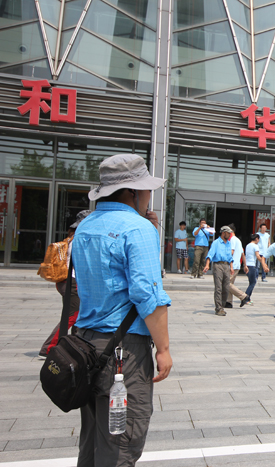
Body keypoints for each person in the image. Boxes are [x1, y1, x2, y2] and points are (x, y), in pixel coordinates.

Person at [72, 153, 172, 465]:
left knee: (93, 439)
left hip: (85, 345)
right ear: (132, 192)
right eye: (147, 189)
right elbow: (148, 296)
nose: (149, 195)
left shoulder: (85, 226)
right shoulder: (137, 229)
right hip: (123, 352)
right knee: (122, 443)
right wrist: (164, 350)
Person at [38, 210, 91, 359]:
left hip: (68, 282)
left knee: (78, 316)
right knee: (72, 316)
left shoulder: (72, 238)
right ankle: (48, 348)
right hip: (73, 282)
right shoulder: (80, 239)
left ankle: (76, 346)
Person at [202, 226, 236, 317]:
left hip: (226, 265)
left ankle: (222, 305)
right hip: (218, 265)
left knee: (226, 287)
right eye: (228, 233)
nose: (229, 235)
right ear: (223, 233)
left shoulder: (228, 243)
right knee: (218, 287)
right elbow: (210, 254)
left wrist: (231, 267)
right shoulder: (216, 243)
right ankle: (218, 308)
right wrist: (207, 265)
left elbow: (230, 257)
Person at [225, 223, 248, 309]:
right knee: (230, 284)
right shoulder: (238, 240)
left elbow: (231, 252)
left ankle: (243, 296)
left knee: (226, 283)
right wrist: (245, 265)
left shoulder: (232, 240)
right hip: (237, 265)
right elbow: (242, 254)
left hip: (232, 265)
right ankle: (228, 302)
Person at [244, 234, 269, 305]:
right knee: (253, 283)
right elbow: (258, 256)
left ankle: (248, 298)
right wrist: (263, 263)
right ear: (256, 239)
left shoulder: (248, 245)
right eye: (259, 239)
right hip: (252, 266)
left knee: (251, 282)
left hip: (247, 266)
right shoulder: (255, 246)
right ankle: (245, 298)